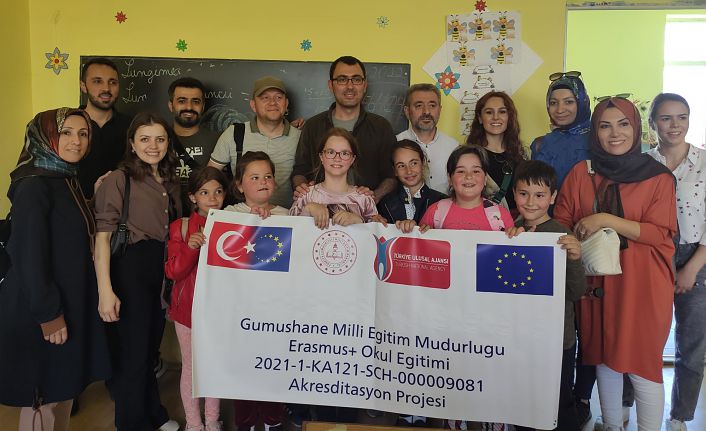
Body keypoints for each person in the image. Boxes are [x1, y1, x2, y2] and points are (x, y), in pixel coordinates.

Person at [553, 97, 676, 431]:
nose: (615, 133)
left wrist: (604, 219)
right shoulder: (582, 173)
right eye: (605, 126)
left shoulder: (659, 177)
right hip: (597, 283)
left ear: (636, 128)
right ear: (595, 132)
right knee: (604, 358)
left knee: (643, 365)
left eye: (623, 124)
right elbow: (561, 219)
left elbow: (659, 233)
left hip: (642, 283)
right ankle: (611, 425)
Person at [0, 108, 110, 430]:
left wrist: (92, 200)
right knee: (43, 398)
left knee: (62, 392)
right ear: (46, 136)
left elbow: (65, 231)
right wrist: (48, 314)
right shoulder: (34, 186)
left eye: (83, 133)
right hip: (41, 309)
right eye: (66, 132)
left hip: (65, 303)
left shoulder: (65, 179)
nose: (76, 141)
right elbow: (28, 254)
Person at [93, 112, 181, 431]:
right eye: (144, 139)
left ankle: (153, 414)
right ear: (132, 143)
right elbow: (102, 239)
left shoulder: (170, 181)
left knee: (148, 349)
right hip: (131, 268)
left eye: (160, 139)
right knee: (133, 353)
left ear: (168, 143)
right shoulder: (119, 179)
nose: (152, 146)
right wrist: (105, 291)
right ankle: (131, 423)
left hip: (161, 268)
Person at [506, 160, 586, 431]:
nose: (531, 202)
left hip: (557, 339)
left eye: (539, 195)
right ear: (514, 194)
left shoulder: (562, 235)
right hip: (520, 337)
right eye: (523, 194)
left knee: (559, 402)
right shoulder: (509, 231)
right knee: (523, 402)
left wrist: (574, 258)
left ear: (552, 197)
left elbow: (575, 291)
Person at [646, 93, 706, 431]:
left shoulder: (704, 161)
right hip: (651, 255)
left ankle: (679, 416)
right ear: (653, 122)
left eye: (682, 117)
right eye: (666, 118)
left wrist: (691, 267)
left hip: (696, 255)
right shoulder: (642, 163)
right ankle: (626, 403)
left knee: (691, 346)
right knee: (643, 338)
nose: (675, 125)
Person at [224, 152, 287, 431]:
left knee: (273, 365)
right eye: (255, 177)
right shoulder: (228, 215)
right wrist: (251, 222)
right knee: (243, 366)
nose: (263, 182)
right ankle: (246, 422)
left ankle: (273, 420)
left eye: (268, 176)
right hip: (240, 310)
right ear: (239, 185)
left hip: (275, 310)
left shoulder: (288, 215)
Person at [165, 167, 228, 431]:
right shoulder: (180, 227)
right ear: (192, 196)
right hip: (187, 312)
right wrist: (190, 248)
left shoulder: (231, 223)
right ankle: (194, 423)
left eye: (218, 191)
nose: (212, 198)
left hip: (220, 311)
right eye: (204, 192)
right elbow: (173, 271)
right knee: (191, 368)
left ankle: (212, 421)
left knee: (214, 366)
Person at [291, 56, 397, 203]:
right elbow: (300, 171)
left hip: (368, 214)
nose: (350, 86)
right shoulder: (313, 126)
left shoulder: (381, 127)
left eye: (356, 79)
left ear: (365, 85)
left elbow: (392, 175)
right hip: (319, 212)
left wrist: (372, 198)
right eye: (342, 79)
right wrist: (302, 188)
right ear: (331, 85)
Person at [209, 76, 301, 208]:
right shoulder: (234, 134)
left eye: (278, 97)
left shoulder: (300, 137)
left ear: (286, 104)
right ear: (253, 105)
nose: (272, 102)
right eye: (265, 98)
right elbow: (210, 177)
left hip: (288, 217)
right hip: (243, 217)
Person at [289, 127, 378, 228]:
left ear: (352, 159)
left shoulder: (364, 199)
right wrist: (308, 209)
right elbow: (291, 231)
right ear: (321, 156)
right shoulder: (306, 196)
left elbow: (376, 232)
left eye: (344, 153)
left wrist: (359, 221)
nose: (337, 158)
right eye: (331, 152)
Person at [419, 145, 514, 231]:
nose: (469, 176)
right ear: (449, 178)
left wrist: (516, 235)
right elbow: (420, 241)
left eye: (476, 171)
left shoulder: (501, 216)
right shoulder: (435, 212)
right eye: (461, 171)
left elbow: (511, 244)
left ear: (485, 178)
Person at [78, 57, 132, 199]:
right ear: (83, 86)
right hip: (75, 208)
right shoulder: (67, 126)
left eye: (112, 82)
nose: (106, 89)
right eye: (97, 81)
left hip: (121, 209)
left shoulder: (133, 127)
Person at [465, 91, 525, 215]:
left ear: (509, 117)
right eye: (489, 112)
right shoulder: (469, 157)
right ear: (480, 118)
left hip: (519, 223)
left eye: (502, 112)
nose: (496, 117)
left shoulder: (522, 155)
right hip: (482, 222)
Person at [530, 71, 591, 191]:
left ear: (582, 102)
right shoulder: (541, 144)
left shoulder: (600, 140)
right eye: (553, 103)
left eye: (568, 102)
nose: (560, 110)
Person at [168, 77, 221, 214]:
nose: (189, 107)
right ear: (171, 105)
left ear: (203, 107)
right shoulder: (158, 140)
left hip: (203, 218)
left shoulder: (219, 140)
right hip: (164, 215)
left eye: (195, 101)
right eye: (182, 101)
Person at [396, 84, 459, 193]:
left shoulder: (454, 147)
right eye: (419, 106)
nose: (426, 112)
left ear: (440, 110)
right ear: (407, 111)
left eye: (432, 105)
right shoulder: (395, 144)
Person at [374, 139, 447, 235]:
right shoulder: (384, 204)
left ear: (423, 163)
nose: (408, 171)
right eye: (401, 166)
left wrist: (433, 231)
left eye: (414, 163)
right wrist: (375, 224)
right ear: (395, 171)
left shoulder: (442, 201)